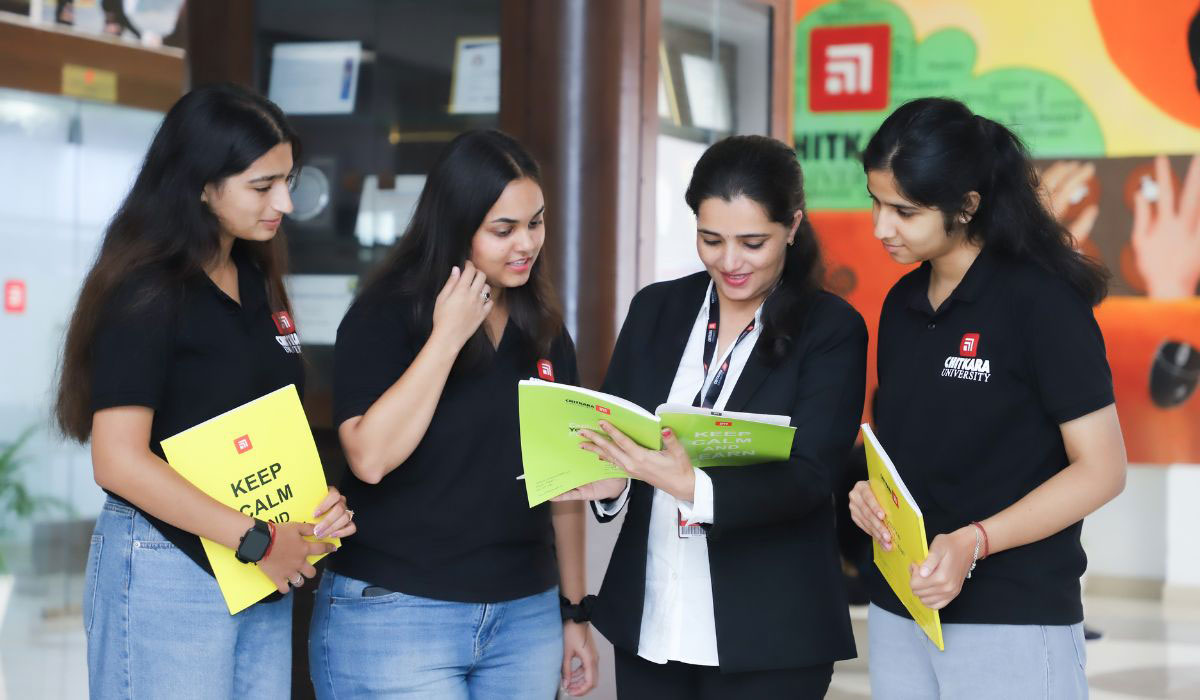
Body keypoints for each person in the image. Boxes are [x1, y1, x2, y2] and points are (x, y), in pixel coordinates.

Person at [56, 84, 356, 699]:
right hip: (172, 559)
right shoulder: (147, 290)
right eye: (263, 186)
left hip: (257, 564)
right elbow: (117, 460)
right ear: (199, 184)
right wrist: (255, 538)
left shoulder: (254, 277)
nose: (287, 204)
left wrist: (315, 503)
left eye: (288, 180)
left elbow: (257, 421)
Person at [555, 135, 866, 698]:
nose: (730, 261)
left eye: (753, 243)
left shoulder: (831, 329)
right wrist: (610, 482)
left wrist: (689, 483)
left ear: (793, 227)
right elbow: (619, 429)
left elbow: (811, 477)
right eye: (711, 239)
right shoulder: (656, 309)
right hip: (652, 616)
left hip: (769, 629)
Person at [848, 97, 1127, 699]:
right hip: (903, 606)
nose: (880, 227)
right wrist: (869, 494)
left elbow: (1102, 470)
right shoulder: (901, 305)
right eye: (875, 202)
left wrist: (974, 541)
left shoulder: (1041, 304)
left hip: (1013, 616)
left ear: (967, 206)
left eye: (904, 210)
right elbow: (906, 450)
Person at [310, 129, 598, 698]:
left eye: (535, 223)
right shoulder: (385, 315)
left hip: (524, 617)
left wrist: (575, 610)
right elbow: (369, 458)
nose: (526, 244)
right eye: (503, 230)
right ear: (455, 225)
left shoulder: (542, 329)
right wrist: (446, 339)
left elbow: (563, 484)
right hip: (398, 610)